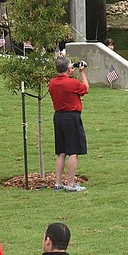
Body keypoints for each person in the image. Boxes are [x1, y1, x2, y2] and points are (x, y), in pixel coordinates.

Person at [48, 57, 89, 192]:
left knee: (61, 152)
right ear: (68, 69)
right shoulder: (72, 83)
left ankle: (58, 183)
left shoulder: (52, 83)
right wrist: (82, 72)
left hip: (58, 117)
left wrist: (71, 70)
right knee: (73, 151)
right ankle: (70, 184)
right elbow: (85, 89)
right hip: (71, 117)